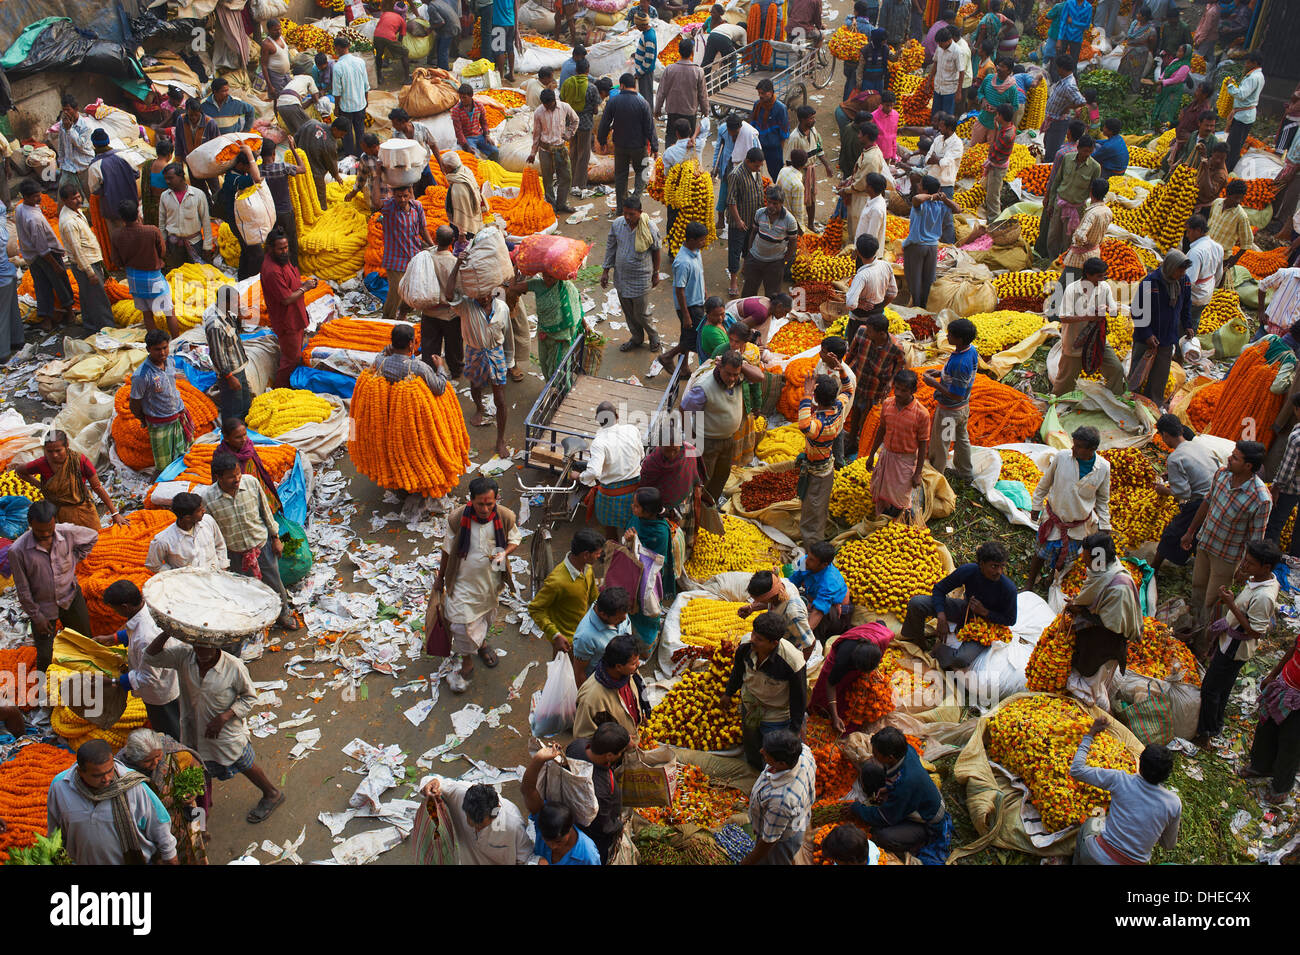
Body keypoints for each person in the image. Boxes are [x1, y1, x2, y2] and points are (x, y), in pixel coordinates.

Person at [144, 624, 283, 824]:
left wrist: (224, 717)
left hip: (225, 732)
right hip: (194, 729)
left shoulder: (233, 666)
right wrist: (169, 630)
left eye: (206, 647)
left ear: (217, 645)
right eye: (197, 646)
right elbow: (150, 657)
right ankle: (202, 813)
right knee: (199, 769)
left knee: (243, 761)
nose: (201, 652)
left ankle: (272, 793)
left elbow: (249, 698)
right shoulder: (184, 656)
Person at [429, 476, 521, 692]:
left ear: (496, 499)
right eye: (480, 504)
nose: (485, 508)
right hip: (461, 583)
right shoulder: (457, 518)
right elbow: (447, 550)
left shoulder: (505, 516)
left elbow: (514, 540)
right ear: (471, 500)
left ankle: (482, 644)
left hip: (490, 583)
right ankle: (467, 661)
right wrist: (440, 577)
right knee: (460, 626)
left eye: (490, 503)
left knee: (486, 616)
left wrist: (504, 554)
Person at [1192, 539, 1281, 746]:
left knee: (1211, 688)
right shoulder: (1260, 580)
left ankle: (1206, 733)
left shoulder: (1265, 596)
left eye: (1250, 563)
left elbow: (1255, 631)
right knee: (1222, 687)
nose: (1244, 565)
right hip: (1231, 641)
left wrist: (1232, 605)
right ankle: (1215, 723)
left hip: (1235, 646)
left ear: (1265, 567)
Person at [1181, 440, 1271, 636]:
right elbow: (1207, 502)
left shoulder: (1261, 498)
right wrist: (1190, 531)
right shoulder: (1222, 474)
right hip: (1205, 543)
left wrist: (1245, 569)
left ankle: (1204, 640)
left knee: (1213, 600)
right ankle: (1192, 627)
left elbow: (1257, 539)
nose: (1229, 458)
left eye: (1235, 457)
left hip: (1227, 557)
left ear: (1248, 466)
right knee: (1197, 587)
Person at [201, 449, 296, 632]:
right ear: (218, 477)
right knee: (246, 590)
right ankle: (257, 622)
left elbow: (266, 512)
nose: (237, 479)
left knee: (275, 582)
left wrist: (275, 538)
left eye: (238, 474)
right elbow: (211, 532)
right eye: (231, 477)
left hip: (261, 544)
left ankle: (283, 614)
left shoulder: (251, 483)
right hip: (235, 552)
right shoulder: (208, 498)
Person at [46, 739, 178, 865]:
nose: (106, 779)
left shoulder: (132, 785)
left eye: (109, 771)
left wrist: (170, 858)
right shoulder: (61, 787)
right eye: (97, 775)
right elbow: (54, 833)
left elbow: (159, 825)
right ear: (80, 772)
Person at [1071, 717, 1182, 864]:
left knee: (1093, 820)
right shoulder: (1173, 803)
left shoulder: (1121, 779)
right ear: (1167, 775)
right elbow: (1168, 845)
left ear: (1140, 765)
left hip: (1095, 856)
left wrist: (1090, 734)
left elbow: (1077, 770)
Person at [9, 501, 97, 671]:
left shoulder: (67, 532)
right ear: (30, 525)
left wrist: (74, 559)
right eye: (40, 531)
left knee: (84, 641)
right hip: (42, 607)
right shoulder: (18, 550)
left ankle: (89, 678)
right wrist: (36, 616)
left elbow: (92, 536)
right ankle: (46, 690)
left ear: (54, 522)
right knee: (45, 655)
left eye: (49, 529)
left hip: (71, 596)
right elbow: (23, 588)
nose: (46, 534)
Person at [903, 541, 1018, 670]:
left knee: (960, 659)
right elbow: (939, 589)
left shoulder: (1008, 589)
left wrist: (985, 612)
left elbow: (1010, 620)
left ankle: (938, 651)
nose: (999, 572)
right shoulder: (969, 571)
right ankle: (917, 641)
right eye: (994, 566)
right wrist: (941, 617)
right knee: (917, 603)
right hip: (965, 610)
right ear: (981, 564)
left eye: (1002, 566)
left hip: (986, 625)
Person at [1028, 426, 1112, 586]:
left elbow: (1102, 499)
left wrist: (1105, 523)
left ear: (1092, 449)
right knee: (1040, 552)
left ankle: (1052, 577)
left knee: (1065, 556)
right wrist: (1036, 505)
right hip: (1054, 518)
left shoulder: (1103, 468)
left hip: (1078, 525)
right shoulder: (1062, 457)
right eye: (1074, 444)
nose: (1073, 448)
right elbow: (1044, 483)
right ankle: (1030, 582)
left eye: (1079, 446)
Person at [851, 728, 951, 862]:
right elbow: (898, 777)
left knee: (881, 835)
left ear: (890, 757)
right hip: (911, 795)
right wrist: (888, 788)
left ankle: (918, 840)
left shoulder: (906, 784)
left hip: (926, 822)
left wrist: (857, 808)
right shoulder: (906, 750)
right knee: (870, 769)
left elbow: (885, 818)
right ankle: (894, 810)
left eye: (876, 753)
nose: (873, 755)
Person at [100, 580, 183, 740]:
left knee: (170, 732)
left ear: (125, 607)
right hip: (169, 680)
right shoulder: (148, 609)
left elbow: (149, 678)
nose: (115, 612)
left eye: (115, 609)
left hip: (161, 694)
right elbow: (137, 629)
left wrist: (114, 682)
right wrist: (115, 638)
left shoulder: (145, 637)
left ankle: (181, 759)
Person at [448, 252, 511, 458]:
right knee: (475, 386)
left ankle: (500, 439)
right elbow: (449, 294)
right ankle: (479, 407)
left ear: (493, 291)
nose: (483, 297)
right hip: (474, 353)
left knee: (500, 398)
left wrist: (509, 360)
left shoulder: (502, 307)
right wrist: (457, 264)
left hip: (496, 353)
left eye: (487, 293)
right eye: (479, 293)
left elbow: (506, 334)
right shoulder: (465, 306)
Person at [681, 349, 762, 503]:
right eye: (728, 373)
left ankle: (710, 505)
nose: (732, 378)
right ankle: (696, 510)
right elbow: (684, 410)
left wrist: (742, 367)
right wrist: (690, 442)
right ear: (719, 367)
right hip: (706, 441)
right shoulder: (704, 387)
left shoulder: (739, 378)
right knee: (703, 478)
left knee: (721, 475)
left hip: (727, 439)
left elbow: (760, 377)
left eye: (735, 374)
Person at [117, 728, 208, 865]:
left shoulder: (170, 750)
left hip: (184, 818)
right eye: (147, 761)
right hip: (152, 832)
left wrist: (193, 792)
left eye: (158, 756)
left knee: (194, 853)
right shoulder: (121, 772)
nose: (155, 763)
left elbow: (196, 767)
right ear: (134, 759)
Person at [13, 431, 125, 531]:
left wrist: (115, 513)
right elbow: (20, 470)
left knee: (95, 540)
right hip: (58, 512)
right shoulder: (42, 464)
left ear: (66, 446)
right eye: (49, 451)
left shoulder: (79, 461)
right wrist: (41, 486)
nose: (54, 455)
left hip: (83, 510)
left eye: (58, 450)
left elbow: (97, 487)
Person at [1239, 627, 1300, 804]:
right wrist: (1273, 674)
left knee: (1291, 744)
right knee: (1266, 728)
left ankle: (1281, 787)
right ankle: (1260, 766)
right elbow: (1292, 650)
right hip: (1283, 686)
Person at [1151, 415, 1217, 573]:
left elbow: (1184, 494)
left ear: (1165, 435)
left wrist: (1164, 490)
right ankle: (1192, 563)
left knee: (1171, 534)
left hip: (1201, 502)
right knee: (1198, 535)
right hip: (1218, 496)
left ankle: (1152, 570)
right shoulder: (1198, 446)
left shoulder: (1175, 457)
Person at [740, 728, 816, 865]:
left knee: (774, 860)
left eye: (766, 754)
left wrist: (747, 862)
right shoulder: (803, 752)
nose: (761, 751)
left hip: (782, 840)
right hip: (795, 820)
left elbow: (769, 842)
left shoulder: (781, 801)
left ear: (781, 764)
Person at [1054, 256, 1125, 396]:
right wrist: (1088, 317)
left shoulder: (1104, 287)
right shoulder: (1072, 290)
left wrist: (1109, 310)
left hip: (1098, 339)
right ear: (1088, 274)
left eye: (1104, 276)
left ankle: (1113, 399)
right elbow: (1063, 317)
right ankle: (1057, 404)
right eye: (1099, 276)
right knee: (1065, 380)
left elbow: (1114, 311)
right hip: (1074, 342)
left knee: (1116, 369)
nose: (1102, 279)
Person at [1130, 250, 1194, 405]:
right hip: (1145, 338)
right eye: (1180, 269)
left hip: (1167, 337)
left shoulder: (1184, 281)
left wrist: (1187, 325)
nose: (1182, 273)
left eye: (1184, 270)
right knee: (1138, 373)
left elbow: (1186, 306)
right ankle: (1131, 400)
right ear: (1171, 266)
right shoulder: (1150, 282)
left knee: (1160, 376)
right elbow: (1137, 311)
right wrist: (1147, 334)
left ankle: (1153, 405)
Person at [865, 368, 930, 518]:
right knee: (881, 491)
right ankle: (884, 516)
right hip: (887, 454)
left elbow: (923, 443)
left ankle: (901, 519)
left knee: (900, 497)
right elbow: (881, 430)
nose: (899, 393)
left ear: (913, 390)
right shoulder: (887, 404)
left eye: (904, 390)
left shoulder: (921, 414)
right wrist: (871, 454)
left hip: (905, 461)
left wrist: (918, 473)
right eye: (897, 389)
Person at [528, 528, 603, 655]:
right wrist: (555, 635)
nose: (599, 556)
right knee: (563, 672)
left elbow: (593, 597)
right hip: (566, 642)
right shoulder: (557, 581)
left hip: (583, 634)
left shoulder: (587, 569)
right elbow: (535, 609)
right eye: (597, 553)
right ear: (585, 555)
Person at [844, 309, 906, 459]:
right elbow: (851, 352)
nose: (867, 332)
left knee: (868, 415)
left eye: (871, 331)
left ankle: (862, 444)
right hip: (859, 378)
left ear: (881, 333)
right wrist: (843, 369)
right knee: (855, 410)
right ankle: (851, 441)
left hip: (876, 385)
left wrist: (891, 383)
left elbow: (900, 366)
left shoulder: (895, 347)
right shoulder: (861, 332)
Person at [574, 402, 644, 536]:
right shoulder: (632, 429)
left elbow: (594, 472)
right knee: (632, 530)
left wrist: (580, 477)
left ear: (597, 420)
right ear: (617, 415)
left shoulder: (599, 442)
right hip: (636, 490)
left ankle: (613, 551)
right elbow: (641, 455)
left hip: (612, 494)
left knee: (610, 530)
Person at [603, 196, 662, 353]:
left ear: (640, 212)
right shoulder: (617, 224)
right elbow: (611, 247)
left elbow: (656, 251)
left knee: (641, 313)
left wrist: (656, 273)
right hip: (621, 277)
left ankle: (654, 336)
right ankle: (637, 338)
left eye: (632, 214)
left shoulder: (650, 228)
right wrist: (605, 270)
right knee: (628, 312)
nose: (628, 217)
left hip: (641, 278)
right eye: (625, 213)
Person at [261, 228, 318, 390]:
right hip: (287, 321)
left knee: (295, 355)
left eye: (286, 247)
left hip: (296, 316)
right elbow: (286, 299)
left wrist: (304, 285)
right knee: (290, 360)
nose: (285, 251)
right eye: (280, 248)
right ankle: (281, 389)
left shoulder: (283, 261)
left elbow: (291, 284)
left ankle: (291, 383)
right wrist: (305, 288)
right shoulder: (272, 270)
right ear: (270, 248)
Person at [521, 756, 603, 866]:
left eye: (558, 841)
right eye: (547, 840)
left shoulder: (587, 855)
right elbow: (528, 790)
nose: (553, 846)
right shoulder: (544, 819)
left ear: (569, 829)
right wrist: (539, 758)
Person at [15, 180, 75, 332]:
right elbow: (42, 248)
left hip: (31, 256)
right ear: (26, 197)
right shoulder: (33, 219)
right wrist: (56, 265)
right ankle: (69, 313)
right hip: (46, 256)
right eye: (35, 196)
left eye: (39, 194)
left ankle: (47, 319)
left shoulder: (20, 208)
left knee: (42, 286)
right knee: (60, 282)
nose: (39, 198)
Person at [113, 199, 178, 338]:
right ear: (138, 213)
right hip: (153, 277)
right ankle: (177, 341)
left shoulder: (117, 235)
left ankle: (154, 342)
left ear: (122, 218)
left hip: (134, 279)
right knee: (169, 312)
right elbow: (162, 252)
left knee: (147, 314)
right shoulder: (151, 231)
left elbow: (117, 261)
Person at [922, 316, 976, 482]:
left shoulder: (960, 363)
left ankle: (936, 476)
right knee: (961, 439)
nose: (947, 337)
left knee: (941, 442)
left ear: (959, 339)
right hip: (963, 408)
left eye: (950, 335)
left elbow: (956, 393)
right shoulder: (970, 350)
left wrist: (933, 383)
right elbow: (959, 380)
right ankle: (966, 473)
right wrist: (940, 373)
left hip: (950, 412)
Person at [622, 486, 677, 650]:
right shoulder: (638, 519)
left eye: (636, 506)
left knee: (646, 608)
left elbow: (653, 559)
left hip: (648, 577)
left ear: (647, 511)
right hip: (632, 571)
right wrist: (630, 541)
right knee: (632, 606)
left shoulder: (660, 532)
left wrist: (634, 541)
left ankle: (648, 642)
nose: (632, 507)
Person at [129, 329, 191, 470]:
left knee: (181, 456)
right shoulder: (142, 375)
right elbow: (134, 403)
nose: (162, 353)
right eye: (157, 349)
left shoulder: (170, 362)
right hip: (159, 423)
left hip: (177, 415)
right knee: (163, 465)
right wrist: (143, 419)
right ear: (148, 349)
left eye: (165, 348)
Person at [598, 73, 658, 216]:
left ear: (622, 85)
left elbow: (604, 122)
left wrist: (602, 141)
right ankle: (635, 201)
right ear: (634, 85)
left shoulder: (613, 101)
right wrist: (655, 147)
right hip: (639, 147)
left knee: (621, 175)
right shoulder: (643, 103)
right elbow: (650, 127)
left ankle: (621, 208)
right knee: (642, 173)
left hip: (620, 146)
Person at [573, 633, 648, 739]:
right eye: (633, 663)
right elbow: (584, 738)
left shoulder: (629, 674)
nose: (638, 665)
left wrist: (639, 715)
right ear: (618, 666)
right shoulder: (590, 699)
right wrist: (620, 743)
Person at [660, 220, 711, 368]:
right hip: (689, 306)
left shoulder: (696, 251)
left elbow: (700, 274)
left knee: (686, 335)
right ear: (691, 240)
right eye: (702, 240)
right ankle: (667, 356)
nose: (704, 242)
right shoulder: (682, 262)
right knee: (693, 339)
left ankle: (683, 368)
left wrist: (705, 292)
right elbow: (679, 290)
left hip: (698, 300)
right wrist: (686, 315)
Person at [902, 176, 959, 309]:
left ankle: (917, 306)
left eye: (920, 185)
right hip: (932, 247)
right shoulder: (939, 204)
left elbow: (916, 199)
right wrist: (938, 198)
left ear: (925, 189)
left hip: (917, 246)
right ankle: (924, 305)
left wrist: (942, 198)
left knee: (915, 279)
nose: (918, 186)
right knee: (928, 279)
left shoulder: (922, 203)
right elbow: (956, 209)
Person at [215, 144, 265, 280]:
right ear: (242, 165)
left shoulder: (238, 174)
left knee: (246, 250)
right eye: (249, 165)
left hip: (240, 220)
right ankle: (253, 280)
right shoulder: (234, 179)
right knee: (257, 254)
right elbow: (256, 177)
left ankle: (243, 277)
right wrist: (250, 155)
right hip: (238, 223)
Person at [146, 492, 227, 573]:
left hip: (215, 576)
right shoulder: (162, 540)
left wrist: (222, 567)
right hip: (188, 583)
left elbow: (220, 545)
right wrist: (175, 573)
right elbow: (153, 565)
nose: (204, 511)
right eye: (199, 510)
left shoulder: (208, 521)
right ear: (187, 517)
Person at [788, 541, 853, 641]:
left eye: (811, 560)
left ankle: (818, 641)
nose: (806, 561)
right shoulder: (804, 561)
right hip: (813, 596)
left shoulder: (829, 582)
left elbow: (818, 612)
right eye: (808, 556)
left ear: (824, 564)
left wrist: (803, 637)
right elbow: (792, 583)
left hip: (836, 609)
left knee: (819, 625)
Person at [723, 148, 766, 297]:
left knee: (750, 249)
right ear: (748, 161)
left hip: (753, 220)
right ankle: (733, 282)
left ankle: (746, 269)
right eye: (756, 166)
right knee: (735, 251)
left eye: (760, 166)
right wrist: (738, 220)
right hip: (739, 222)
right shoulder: (735, 175)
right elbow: (731, 201)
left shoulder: (756, 172)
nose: (758, 168)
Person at [529, 86, 580, 211]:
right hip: (545, 149)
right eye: (544, 105)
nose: (546, 107)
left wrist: (569, 133)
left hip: (560, 148)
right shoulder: (538, 112)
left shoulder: (564, 107)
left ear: (554, 101)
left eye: (549, 104)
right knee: (547, 179)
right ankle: (551, 205)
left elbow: (575, 120)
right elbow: (536, 134)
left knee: (566, 177)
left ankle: (561, 203)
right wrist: (532, 152)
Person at [742, 186, 798, 298]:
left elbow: (793, 243)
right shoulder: (760, 213)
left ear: (781, 203)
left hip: (775, 262)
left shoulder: (790, 220)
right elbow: (753, 232)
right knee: (748, 292)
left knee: (772, 296)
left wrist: (784, 260)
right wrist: (750, 252)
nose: (771, 206)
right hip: (755, 258)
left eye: (775, 203)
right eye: (769, 202)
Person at [159, 161, 214, 268]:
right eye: (166, 178)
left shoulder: (198, 194)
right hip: (173, 245)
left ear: (181, 176)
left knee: (197, 276)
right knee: (177, 276)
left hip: (195, 243)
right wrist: (163, 243)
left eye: (170, 178)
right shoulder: (164, 196)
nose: (167, 181)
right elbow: (162, 223)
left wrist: (207, 246)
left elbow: (206, 221)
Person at [656, 38, 709, 149]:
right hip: (689, 113)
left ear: (679, 51)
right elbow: (702, 95)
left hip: (673, 111)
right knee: (689, 140)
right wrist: (705, 111)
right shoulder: (698, 71)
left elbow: (661, 92)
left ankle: (669, 162)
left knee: (671, 136)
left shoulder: (669, 69)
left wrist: (657, 109)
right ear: (692, 52)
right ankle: (686, 164)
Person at [572, 588, 632, 683]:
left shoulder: (619, 610)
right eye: (618, 619)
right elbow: (579, 673)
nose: (625, 619)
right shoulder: (584, 637)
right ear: (603, 615)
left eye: (625, 614)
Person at [260, 139, 305, 265]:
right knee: (291, 243)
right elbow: (303, 169)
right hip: (285, 212)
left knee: (272, 243)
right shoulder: (283, 167)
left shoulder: (257, 171)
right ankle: (294, 268)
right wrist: (292, 148)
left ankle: (274, 267)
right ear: (274, 154)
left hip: (269, 215)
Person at [86, 129, 138, 235]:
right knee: (136, 233)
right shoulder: (123, 155)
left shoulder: (95, 166)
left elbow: (94, 190)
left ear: (94, 145)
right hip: (132, 206)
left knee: (119, 238)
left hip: (113, 211)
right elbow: (136, 174)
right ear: (108, 141)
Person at [561, 59, 600, 193]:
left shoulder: (567, 83)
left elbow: (562, 100)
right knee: (583, 154)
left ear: (576, 70)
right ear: (587, 70)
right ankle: (580, 184)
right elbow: (595, 109)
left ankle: (570, 181)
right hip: (585, 123)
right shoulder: (591, 87)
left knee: (572, 151)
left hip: (570, 123)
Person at [843, 123, 888, 239]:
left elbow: (862, 183)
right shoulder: (869, 151)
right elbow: (859, 173)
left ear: (866, 136)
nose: (858, 136)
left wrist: (846, 190)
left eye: (860, 134)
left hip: (861, 197)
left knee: (858, 228)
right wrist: (848, 180)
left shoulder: (871, 158)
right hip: (860, 195)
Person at [1224, 51, 1264, 173]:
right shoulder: (1259, 76)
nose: (1246, 64)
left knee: (1233, 146)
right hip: (1245, 114)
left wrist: (1230, 85)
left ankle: (1227, 169)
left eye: (1248, 62)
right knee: (1236, 143)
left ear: (1254, 63)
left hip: (1243, 116)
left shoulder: (1253, 78)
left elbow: (1241, 94)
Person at [332, 35, 371, 158]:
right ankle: (361, 154)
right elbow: (366, 85)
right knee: (360, 131)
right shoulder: (360, 62)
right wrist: (366, 100)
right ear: (349, 46)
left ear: (337, 48)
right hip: (360, 104)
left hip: (346, 107)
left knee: (346, 133)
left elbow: (337, 92)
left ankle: (350, 156)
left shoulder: (338, 66)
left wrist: (336, 107)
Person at [1184, 215, 1223, 334]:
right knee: (1194, 321)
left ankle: (1179, 348)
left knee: (1183, 325)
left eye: (1189, 231)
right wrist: (1211, 287)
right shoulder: (1218, 247)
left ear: (1198, 231)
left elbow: (1189, 281)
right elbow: (1219, 273)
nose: (1187, 235)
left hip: (1194, 296)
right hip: (1207, 293)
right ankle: (1188, 348)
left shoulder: (1196, 252)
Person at [171, 101, 219, 198]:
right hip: (191, 162)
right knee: (198, 189)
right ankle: (206, 207)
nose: (193, 118)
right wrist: (179, 160)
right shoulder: (181, 120)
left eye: (196, 115)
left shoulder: (210, 122)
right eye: (191, 115)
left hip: (208, 162)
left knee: (215, 189)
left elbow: (217, 143)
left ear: (200, 112)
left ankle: (218, 209)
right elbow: (179, 141)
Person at [1043, 56, 1086, 162]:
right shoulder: (1064, 80)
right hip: (1052, 120)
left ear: (1062, 68)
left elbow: (1081, 101)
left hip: (1058, 123)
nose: (1057, 70)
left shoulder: (1069, 85)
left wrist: (1068, 107)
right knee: (1048, 145)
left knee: (1052, 152)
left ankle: (1050, 171)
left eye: (1057, 68)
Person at [982, 104, 1018, 221]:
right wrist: (997, 128)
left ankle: (994, 220)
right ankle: (992, 215)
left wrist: (995, 131)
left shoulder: (1007, 135)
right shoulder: (1009, 128)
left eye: (997, 114)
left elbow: (993, 148)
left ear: (1001, 116)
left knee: (992, 196)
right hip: (998, 164)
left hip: (997, 168)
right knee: (992, 192)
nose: (996, 116)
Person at [751, 78, 790, 181]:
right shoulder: (757, 105)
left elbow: (784, 133)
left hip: (774, 148)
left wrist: (779, 151)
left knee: (776, 175)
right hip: (759, 145)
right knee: (755, 174)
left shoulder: (781, 109)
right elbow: (753, 126)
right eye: (759, 93)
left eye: (763, 93)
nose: (760, 96)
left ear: (771, 93)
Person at [1207, 179, 1256, 260]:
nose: (1239, 201)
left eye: (1241, 198)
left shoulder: (1241, 216)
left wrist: (1234, 259)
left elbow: (1247, 242)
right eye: (1236, 197)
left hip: (1220, 257)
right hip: (1206, 248)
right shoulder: (1216, 203)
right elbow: (1209, 222)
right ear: (1228, 194)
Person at [0, 199, 22, 362]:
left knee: (2, 315)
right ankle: (17, 340)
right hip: (8, 272)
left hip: (2, 277)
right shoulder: (2, 226)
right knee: (12, 309)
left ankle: (3, 352)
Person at [929, 28, 965, 118]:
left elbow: (961, 72)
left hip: (949, 90)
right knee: (935, 114)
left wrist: (959, 91)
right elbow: (935, 64)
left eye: (941, 43)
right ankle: (936, 131)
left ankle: (945, 132)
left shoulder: (957, 51)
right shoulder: (939, 48)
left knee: (946, 116)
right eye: (939, 44)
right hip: (938, 87)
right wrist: (929, 80)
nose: (940, 45)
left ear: (949, 40)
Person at [372, 3, 411, 83]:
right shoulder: (402, 20)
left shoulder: (385, 13)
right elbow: (400, 39)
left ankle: (379, 77)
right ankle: (407, 78)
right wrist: (394, 50)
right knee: (404, 53)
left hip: (376, 35)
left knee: (379, 54)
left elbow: (382, 25)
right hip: (388, 37)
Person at [274, 73, 320, 138]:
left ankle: (296, 146)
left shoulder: (294, 79)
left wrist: (309, 101)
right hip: (291, 102)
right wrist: (314, 100)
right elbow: (316, 98)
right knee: (307, 128)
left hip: (280, 104)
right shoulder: (309, 78)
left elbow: (300, 107)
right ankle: (307, 146)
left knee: (294, 131)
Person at [259, 17, 293, 100]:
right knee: (277, 99)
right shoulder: (267, 44)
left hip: (286, 74)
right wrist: (270, 86)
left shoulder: (282, 38)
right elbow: (263, 65)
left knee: (289, 96)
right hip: (275, 77)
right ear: (269, 30)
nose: (278, 32)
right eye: (275, 30)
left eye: (279, 29)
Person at [777, 150, 809, 234]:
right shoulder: (798, 185)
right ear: (804, 164)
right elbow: (798, 210)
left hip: (777, 212)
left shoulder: (783, 170)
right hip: (788, 221)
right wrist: (800, 228)